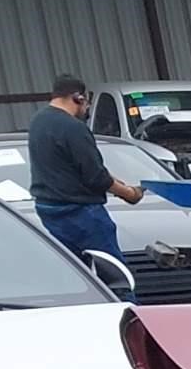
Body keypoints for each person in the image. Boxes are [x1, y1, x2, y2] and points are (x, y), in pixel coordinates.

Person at [28, 73, 142, 262]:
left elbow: (73, 166)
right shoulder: (73, 127)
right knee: (111, 273)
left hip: (49, 209)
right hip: (80, 213)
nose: (87, 110)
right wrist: (129, 193)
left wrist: (115, 180)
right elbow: (96, 176)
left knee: (78, 272)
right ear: (78, 98)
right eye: (87, 104)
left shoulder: (38, 121)